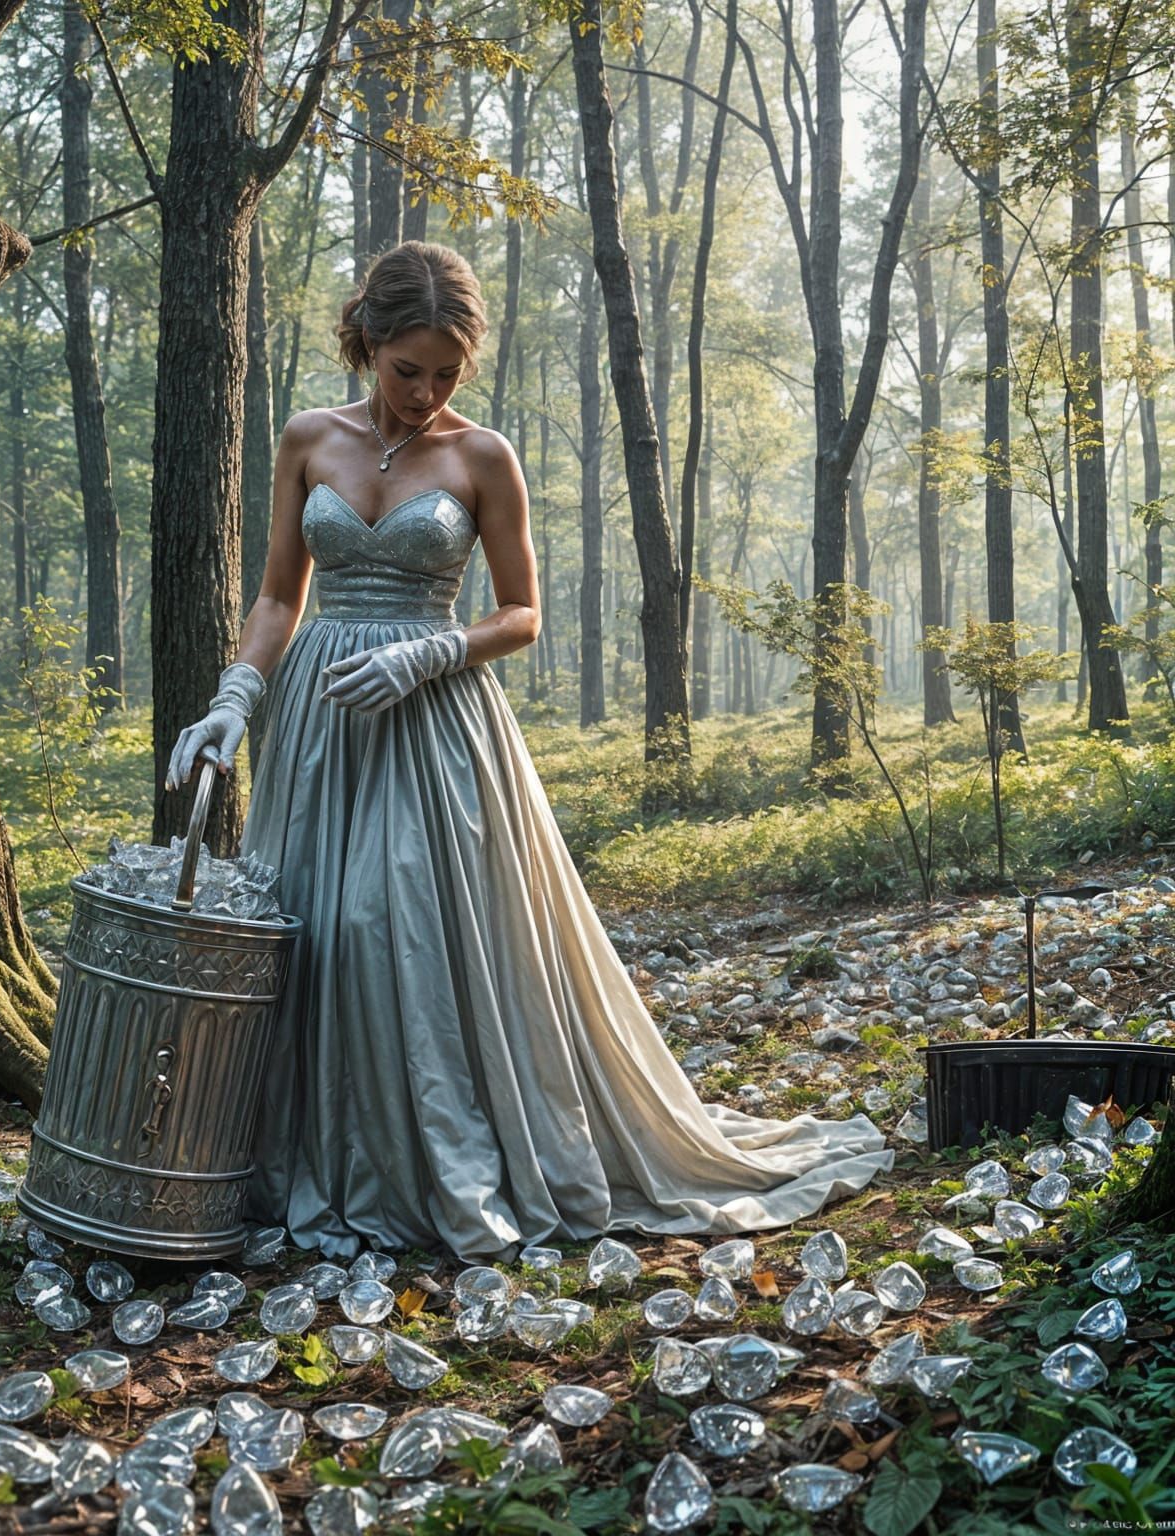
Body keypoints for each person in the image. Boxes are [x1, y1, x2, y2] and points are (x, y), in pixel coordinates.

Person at [166, 240, 893, 1262]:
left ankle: (441, 1161)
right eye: (406, 369)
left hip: (437, 719)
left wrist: (428, 652)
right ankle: (329, 1156)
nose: (424, 393)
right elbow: (282, 594)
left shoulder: (481, 456)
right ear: (367, 343)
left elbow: (523, 613)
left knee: (409, 925)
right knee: (323, 926)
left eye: (446, 374)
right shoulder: (305, 439)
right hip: (324, 714)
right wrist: (236, 698)